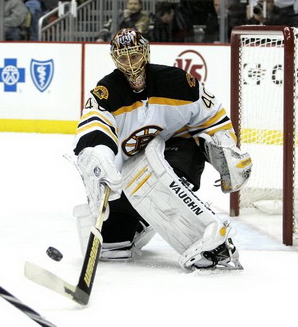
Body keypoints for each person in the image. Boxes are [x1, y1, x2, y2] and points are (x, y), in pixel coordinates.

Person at [72, 28, 251, 269]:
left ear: (145, 53)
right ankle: (143, 219)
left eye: (134, 56)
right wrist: (98, 160)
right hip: (127, 173)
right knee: (113, 246)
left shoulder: (178, 83)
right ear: (115, 59)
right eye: (123, 58)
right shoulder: (107, 92)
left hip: (175, 156)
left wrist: (226, 147)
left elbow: (212, 117)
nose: (130, 64)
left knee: (159, 176)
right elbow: (94, 129)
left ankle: (205, 235)